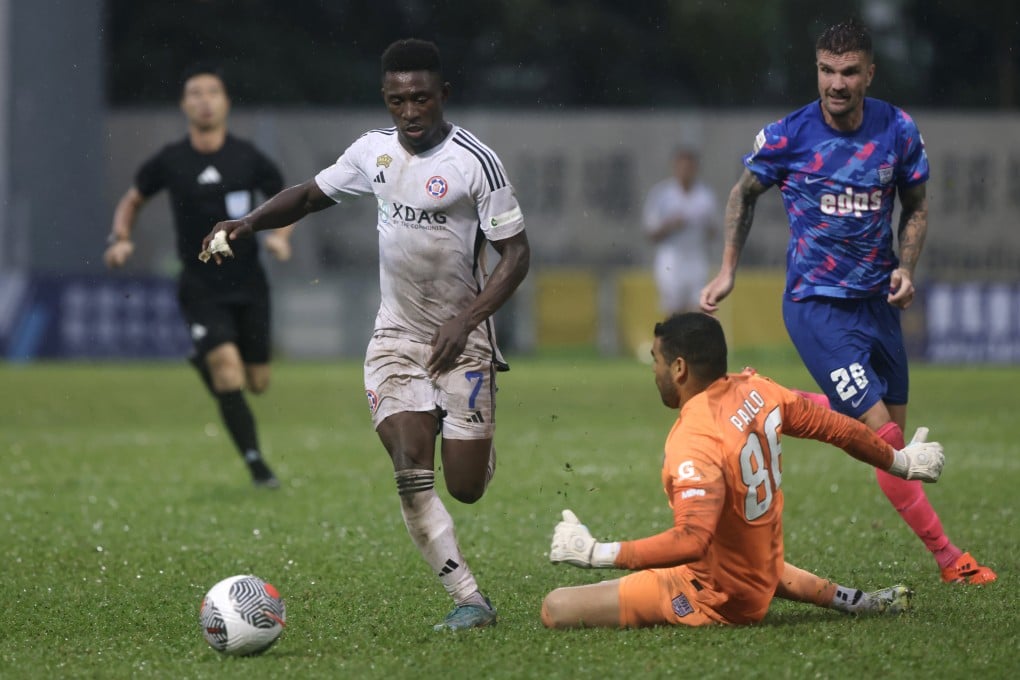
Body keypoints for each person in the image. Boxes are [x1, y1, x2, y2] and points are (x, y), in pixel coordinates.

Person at [200, 39, 530, 631]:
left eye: (421, 98)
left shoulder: (475, 162)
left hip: (464, 337)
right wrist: (248, 222)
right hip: (397, 336)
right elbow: (306, 196)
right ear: (385, 99)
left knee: (465, 487)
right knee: (409, 466)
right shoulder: (371, 153)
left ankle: (471, 445)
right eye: (397, 100)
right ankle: (471, 600)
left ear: (443, 95)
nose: (409, 110)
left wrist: (466, 320)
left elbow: (517, 255)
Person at [699, 19, 995, 585]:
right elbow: (743, 193)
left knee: (889, 447)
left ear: (869, 73)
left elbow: (917, 206)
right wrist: (728, 269)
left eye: (849, 72)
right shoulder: (789, 135)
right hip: (817, 306)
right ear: (817, 70)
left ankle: (772, 402)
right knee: (884, 440)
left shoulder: (898, 130)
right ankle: (950, 560)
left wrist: (907, 269)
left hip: (879, 307)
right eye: (827, 71)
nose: (837, 83)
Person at [542, 312, 945, 629]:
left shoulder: (695, 437)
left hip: (715, 596)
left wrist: (597, 553)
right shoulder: (759, 389)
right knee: (743, 552)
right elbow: (837, 427)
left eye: (657, 361)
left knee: (556, 606)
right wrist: (901, 461)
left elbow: (692, 540)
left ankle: (690, 596)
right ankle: (856, 600)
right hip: (758, 567)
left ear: (679, 368)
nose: (654, 371)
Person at [104, 64, 293, 488]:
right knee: (227, 371)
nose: (204, 100)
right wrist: (120, 238)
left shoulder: (248, 157)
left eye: (212, 92)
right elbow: (132, 200)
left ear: (225, 102)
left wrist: (281, 238)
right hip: (200, 285)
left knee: (257, 383)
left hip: (250, 285)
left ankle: (205, 363)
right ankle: (258, 466)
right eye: (195, 93)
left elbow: (286, 201)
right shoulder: (171, 161)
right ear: (184, 104)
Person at [642, 147, 719, 315]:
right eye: (682, 166)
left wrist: (705, 226)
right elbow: (651, 233)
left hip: (696, 258)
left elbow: (714, 232)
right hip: (671, 259)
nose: (686, 171)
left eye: (690, 167)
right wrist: (671, 225)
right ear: (674, 167)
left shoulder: (705, 196)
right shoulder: (662, 195)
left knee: (697, 310)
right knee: (674, 312)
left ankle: (692, 342)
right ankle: (671, 342)